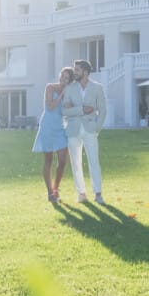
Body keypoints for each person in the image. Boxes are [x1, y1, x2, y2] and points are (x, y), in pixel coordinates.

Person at [61, 58, 107, 203]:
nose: (74, 72)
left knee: (94, 161)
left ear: (86, 72)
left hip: (90, 129)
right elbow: (64, 111)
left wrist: (96, 128)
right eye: (75, 69)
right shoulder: (69, 88)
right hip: (73, 130)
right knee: (76, 163)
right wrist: (81, 109)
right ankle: (81, 193)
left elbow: (103, 110)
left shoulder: (97, 87)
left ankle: (98, 193)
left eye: (77, 70)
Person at [33, 67, 73, 203]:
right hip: (47, 127)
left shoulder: (69, 92)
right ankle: (50, 193)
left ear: (70, 81)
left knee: (62, 161)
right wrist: (61, 95)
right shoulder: (50, 87)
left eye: (67, 78)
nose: (63, 79)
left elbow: (68, 111)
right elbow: (50, 107)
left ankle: (55, 188)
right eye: (62, 76)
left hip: (60, 129)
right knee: (48, 160)